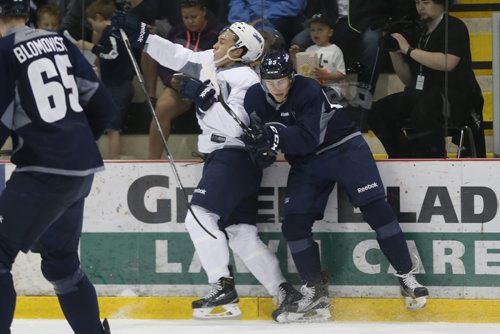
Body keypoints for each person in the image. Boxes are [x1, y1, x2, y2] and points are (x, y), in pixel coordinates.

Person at [112, 12, 299, 319]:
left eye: (222, 40)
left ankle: (220, 284)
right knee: (241, 233)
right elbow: (176, 55)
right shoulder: (211, 62)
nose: (215, 43)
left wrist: (204, 99)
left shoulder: (249, 81)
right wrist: (143, 35)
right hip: (228, 160)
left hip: (233, 157)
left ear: (238, 51)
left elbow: (240, 129)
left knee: (198, 216)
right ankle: (283, 292)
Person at [241, 51, 429, 323]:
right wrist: (261, 150)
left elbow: (306, 138)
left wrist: (275, 136)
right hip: (307, 163)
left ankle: (406, 275)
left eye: (281, 81)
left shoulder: (308, 89)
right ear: (261, 81)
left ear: (291, 77)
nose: (276, 88)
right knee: (293, 224)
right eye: (270, 82)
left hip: (344, 148)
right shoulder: (253, 98)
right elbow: (262, 139)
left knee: (376, 209)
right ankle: (315, 292)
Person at [0, 0, 115, 333]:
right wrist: (75, 142)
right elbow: (103, 106)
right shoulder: (61, 41)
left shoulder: (5, 50)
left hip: (43, 169)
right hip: (81, 167)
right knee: (61, 263)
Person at [368, 0, 485, 158]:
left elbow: (447, 62)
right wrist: (394, 51)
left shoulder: (454, 26)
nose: (420, 7)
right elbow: (409, 80)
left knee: (426, 107)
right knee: (378, 111)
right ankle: (403, 156)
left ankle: (432, 160)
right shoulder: (419, 32)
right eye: (417, 3)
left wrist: (408, 50)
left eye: (426, 2)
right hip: (423, 95)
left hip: (456, 98)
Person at [290, 0, 415, 128]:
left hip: (363, 22)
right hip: (329, 21)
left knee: (373, 41)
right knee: (298, 41)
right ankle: (300, 102)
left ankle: (362, 102)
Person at [149, 0, 223, 159]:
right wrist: (170, 80)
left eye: (194, 16)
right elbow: (164, 61)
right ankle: (152, 160)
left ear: (203, 11)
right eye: (186, 17)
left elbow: (223, 64)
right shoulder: (175, 33)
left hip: (210, 87)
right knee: (162, 108)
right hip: (180, 87)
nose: (190, 21)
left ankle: (215, 158)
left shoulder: (219, 33)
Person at [76, 0, 135, 159]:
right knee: (111, 126)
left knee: (113, 128)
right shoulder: (112, 32)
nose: (92, 28)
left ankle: (115, 160)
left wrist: (91, 47)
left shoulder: (112, 32)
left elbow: (112, 54)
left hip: (118, 86)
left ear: (98, 18)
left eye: (91, 24)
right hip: (115, 85)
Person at [290, 12, 346, 100]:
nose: (316, 33)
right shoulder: (309, 50)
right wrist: (294, 58)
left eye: (320, 29)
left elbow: (341, 74)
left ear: (330, 32)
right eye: (312, 30)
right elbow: (302, 72)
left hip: (331, 88)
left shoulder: (335, 50)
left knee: (319, 96)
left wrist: (326, 75)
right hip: (313, 87)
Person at [227, 0, 307, 47]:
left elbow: (294, 5)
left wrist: (264, 16)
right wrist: (245, 22)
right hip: (248, 20)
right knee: (226, 36)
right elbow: (236, 4)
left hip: (277, 19)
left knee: (263, 36)